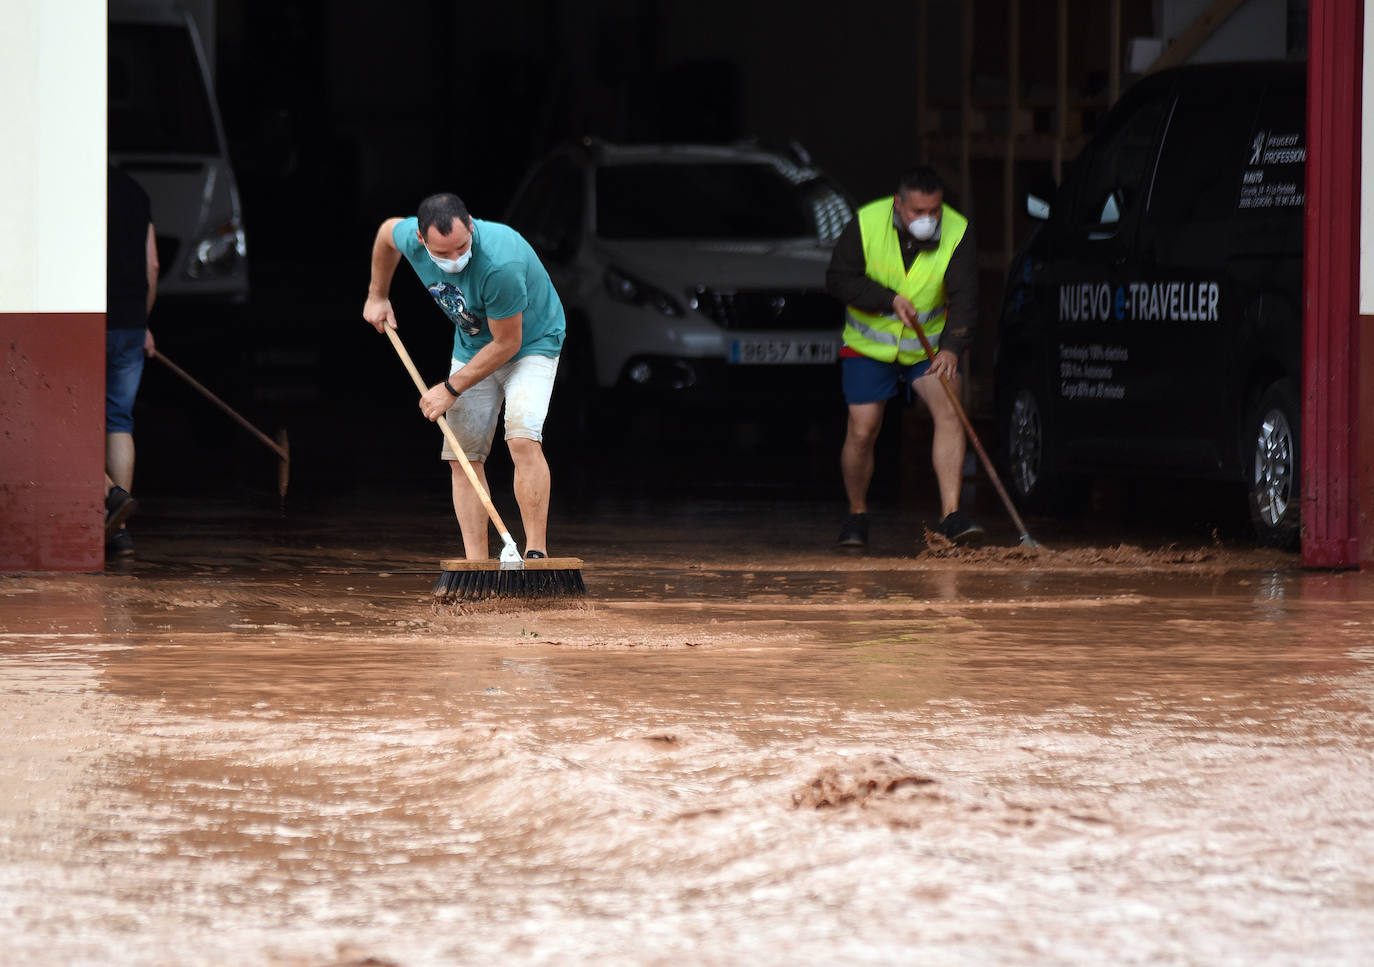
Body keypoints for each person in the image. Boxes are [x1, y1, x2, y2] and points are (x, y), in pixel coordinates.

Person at [362, 193, 566, 560]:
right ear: (422, 242)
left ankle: (537, 554)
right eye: (444, 254)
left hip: (531, 344)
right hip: (474, 345)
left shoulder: (500, 262)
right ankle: (477, 566)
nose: (456, 258)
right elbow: (385, 233)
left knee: (521, 437)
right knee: (462, 454)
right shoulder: (411, 236)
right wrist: (377, 296)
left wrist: (450, 389)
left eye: (462, 247)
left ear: (471, 225)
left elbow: (507, 344)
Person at [826, 165, 984, 548]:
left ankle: (951, 515)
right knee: (862, 430)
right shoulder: (865, 223)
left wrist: (951, 348)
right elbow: (838, 279)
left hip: (926, 349)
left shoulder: (958, 230)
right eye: (918, 212)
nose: (928, 219)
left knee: (949, 408)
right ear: (899, 205)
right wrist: (887, 300)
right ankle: (857, 514)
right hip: (869, 348)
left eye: (934, 210)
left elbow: (965, 299)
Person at [105, 165, 159, 558]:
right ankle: (119, 530)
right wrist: (143, 322)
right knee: (119, 420)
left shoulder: (71, 188)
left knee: (73, 419)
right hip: (129, 323)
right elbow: (152, 264)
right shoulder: (135, 190)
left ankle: (110, 496)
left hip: (87, 321)